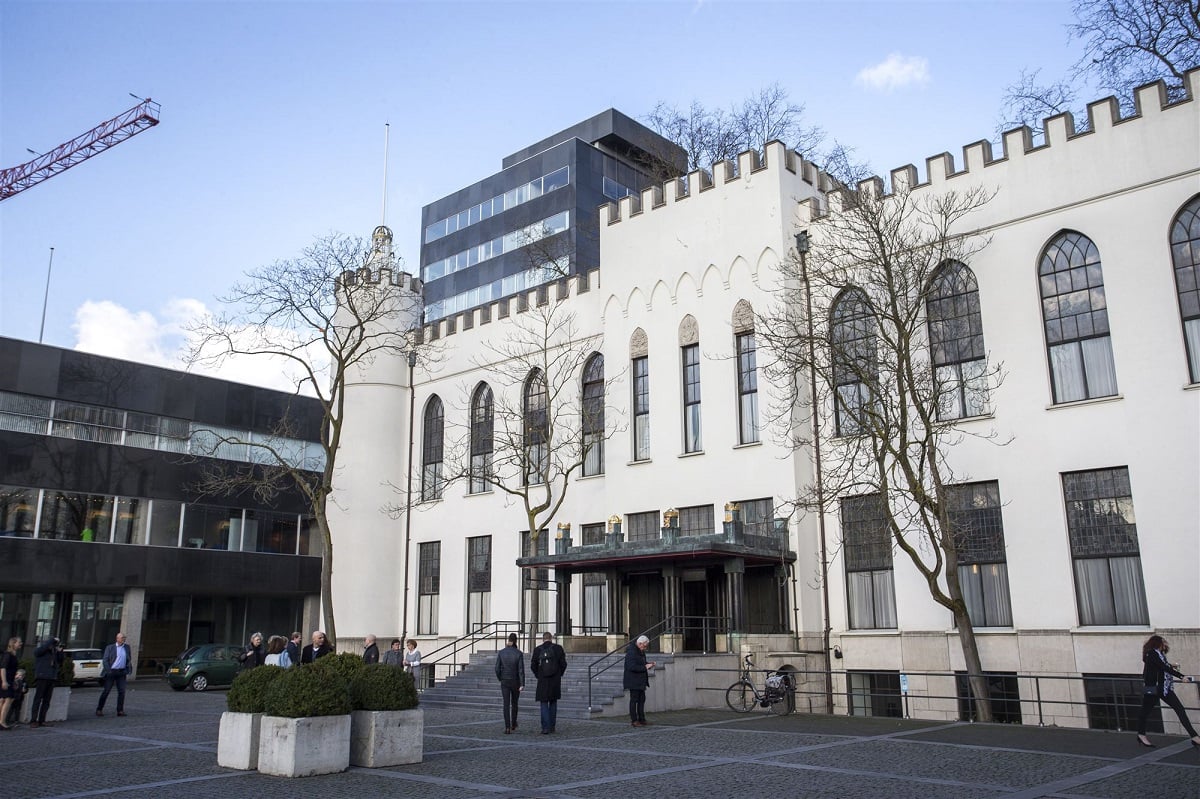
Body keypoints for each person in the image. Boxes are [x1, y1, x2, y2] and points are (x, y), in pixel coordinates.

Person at [1136, 634, 1200, 747]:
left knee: (1178, 709)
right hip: (1156, 688)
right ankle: (1141, 735)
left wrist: (1171, 665)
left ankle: (1194, 737)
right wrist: (1181, 676)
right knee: (1146, 712)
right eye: (1164, 642)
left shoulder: (1158, 655)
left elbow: (1161, 666)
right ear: (1158, 643)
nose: (1165, 645)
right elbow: (1163, 667)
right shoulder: (1152, 654)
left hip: (1161, 688)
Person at [531, 632, 567, 734]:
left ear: (543, 639)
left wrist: (538, 675)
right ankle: (552, 726)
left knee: (543, 703)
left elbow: (533, 665)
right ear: (551, 638)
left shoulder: (537, 650)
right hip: (555, 679)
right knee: (553, 702)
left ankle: (545, 727)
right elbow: (564, 664)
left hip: (543, 680)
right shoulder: (558, 648)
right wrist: (559, 674)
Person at [96, 631, 133, 717]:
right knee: (106, 691)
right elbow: (105, 660)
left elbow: (129, 658)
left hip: (121, 672)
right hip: (112, 671)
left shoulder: (127, 647)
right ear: (118, 639)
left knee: (122, 692)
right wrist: (109, 670)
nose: (124, 639)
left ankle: (120, 710)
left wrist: (127, 669)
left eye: (124, 638)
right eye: (122, 638)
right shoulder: (110, 647)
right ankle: (99, 709)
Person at [30, 636, 63, 728]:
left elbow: (60, 661)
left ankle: (42, 720)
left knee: (47, 700)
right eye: (52, 644)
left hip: (51, 677)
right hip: (42, 676)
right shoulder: (41, 650)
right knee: (38, 699)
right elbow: (39, 651)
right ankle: (33, 720)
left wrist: (60, 652)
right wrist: (52, 640)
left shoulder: (54, 652)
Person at [494, 632, 524, 734]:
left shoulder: (501, 652)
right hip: (515, 681)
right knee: (514, 703)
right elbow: (521, 670)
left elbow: (497, 668)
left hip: (505, 681)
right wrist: (522, 683)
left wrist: (500, 678)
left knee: (506, 704)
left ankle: (507, 727)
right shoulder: (518, 653)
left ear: (508, 640)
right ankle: (514, 723)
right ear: (516, 641)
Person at [624, 634, 655, 728]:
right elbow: (631, 666)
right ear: (640, 643)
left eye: (646, 646)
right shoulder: (632, 652)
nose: (645, 648)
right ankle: (634, 720)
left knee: (642, 700)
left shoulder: (640, 651)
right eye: (644, 646)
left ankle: (642, 719)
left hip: (640, 680)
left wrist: (648, 664)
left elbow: (641, 663)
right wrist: (645, 667)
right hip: (633, 680)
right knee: (634, 700)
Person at [0, 636, 21, 730]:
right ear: (13, 643)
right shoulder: (8, 655)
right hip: (6, 679)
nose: (21, 644)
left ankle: (1, 721)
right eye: (19, 642)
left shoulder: (12, 655)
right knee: (8, 699)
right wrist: (4, 681)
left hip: (9, 679)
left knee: (4, 700)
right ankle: (2, 722)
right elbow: (3, 668)